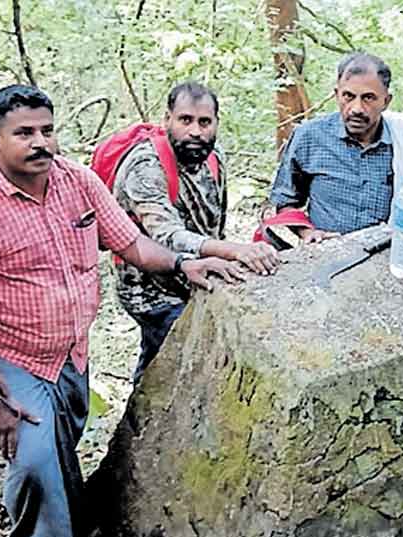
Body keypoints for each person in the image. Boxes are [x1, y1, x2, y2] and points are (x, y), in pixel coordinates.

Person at [0, 85, 242, 537]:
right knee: (35, 459)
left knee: (63, 452)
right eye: (25, 134)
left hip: (71, 351)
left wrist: (185, 264)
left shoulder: (78, 182)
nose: (40, 143)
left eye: (47, 130)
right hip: (13, 357)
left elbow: (130, 243)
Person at [112, 81, 279, 381]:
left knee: (161, 362)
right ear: (167, 120)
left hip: (195, 279)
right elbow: (165, 234)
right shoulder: (145, 165)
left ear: (216, 123)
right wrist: (234, 251)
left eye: (204, 122)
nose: (195, 131)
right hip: (149, 290)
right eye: (185, 120)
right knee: (180, 360)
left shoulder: (214, 160)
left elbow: (216, 225)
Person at [267, 51, 403, 243]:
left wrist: (400, 236)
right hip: (324, 254)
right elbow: (285, 201)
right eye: (348, 96)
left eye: (368, 98)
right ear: (337, 95)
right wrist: (308, 233)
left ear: (386, 101)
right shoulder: (309, 136)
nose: (357, 108)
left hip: (385, 257)